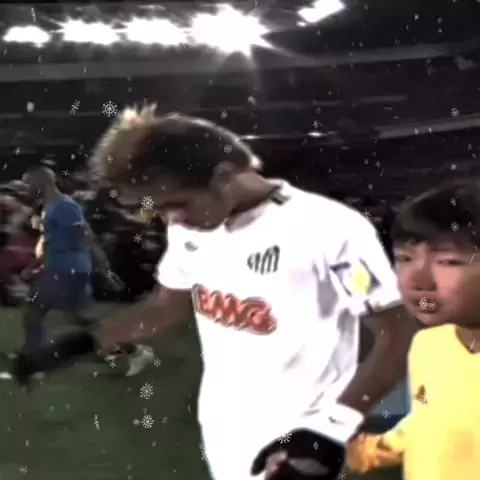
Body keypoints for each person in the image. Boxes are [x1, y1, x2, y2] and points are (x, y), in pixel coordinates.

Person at [11, 107, 417, 480]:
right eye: (159, 209)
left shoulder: (329, 228)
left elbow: (399, 332)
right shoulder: (189, 229)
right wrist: (80, 344)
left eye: (177, 204)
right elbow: (165, 305)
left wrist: (331, 430)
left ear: (224, 175)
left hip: (300, 437)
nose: (171, 219)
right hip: (223, 425)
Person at [347, 178, 480, 480]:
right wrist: (365, 451)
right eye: (405, 258)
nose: (417, 280)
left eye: (448, 261)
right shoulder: (429, 344)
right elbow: (429, 421)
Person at [18, 167, 155, 377]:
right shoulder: (50, 207)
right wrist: (34, 266)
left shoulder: (65, 206)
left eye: (29, 184)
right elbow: (52, 243)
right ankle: (132, 350)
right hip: (61, 268)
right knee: (75, 318)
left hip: (70, 270)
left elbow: (87, 237)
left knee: (35, 311)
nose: (26, 188)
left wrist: (105, 270)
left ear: (42, 182)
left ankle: (36, 361)